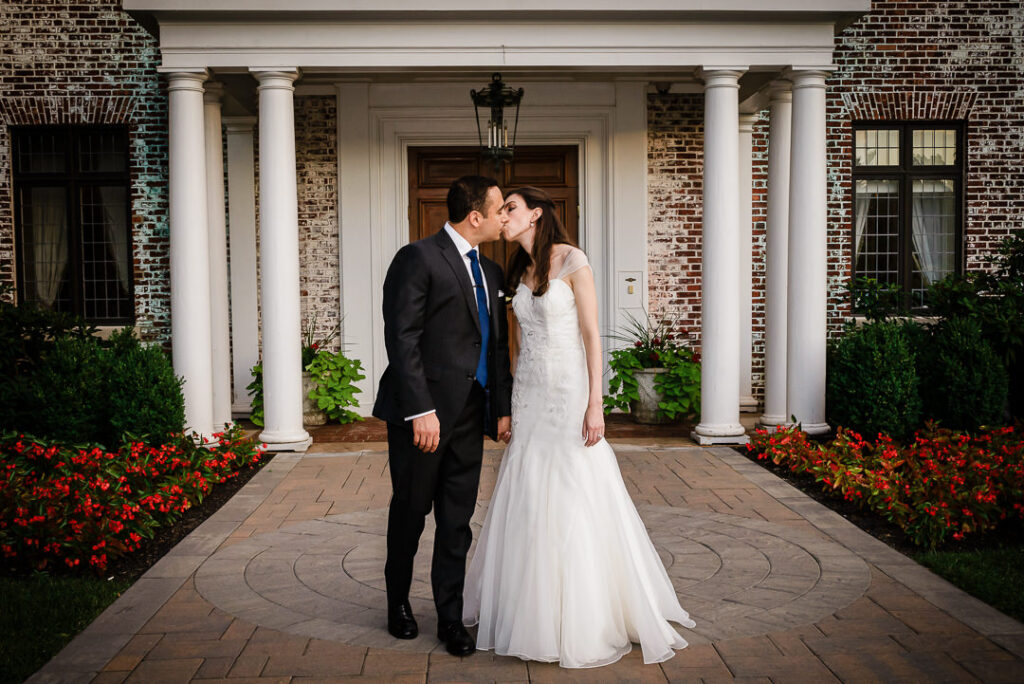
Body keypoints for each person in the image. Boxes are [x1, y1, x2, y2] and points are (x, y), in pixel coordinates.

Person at [463, 186, 696, 668]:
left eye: (511, 208)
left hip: (569, 394)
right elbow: (518, 345)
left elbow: (592, 336)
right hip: (531, 394)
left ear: (536, 214)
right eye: (500, 209)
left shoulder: (572, 260)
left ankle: (585, 613)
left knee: (573, 491)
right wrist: (509, 402)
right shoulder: (517, 270)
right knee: (528, 493)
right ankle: (528, 606)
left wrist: (596, 403)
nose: (503, 216)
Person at [373, 175, 514, 656]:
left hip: (470, 418)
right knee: (410, 515)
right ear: (475, 216)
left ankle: (450, 620)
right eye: (499, 210)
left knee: (457, 522)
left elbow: (496, 347)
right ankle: (397, 605)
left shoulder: (492, 274)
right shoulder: (417, 258)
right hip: (422, 420)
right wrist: (421, 410)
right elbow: (402, 338)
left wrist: (500, 409)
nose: (503, 218)